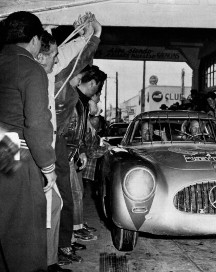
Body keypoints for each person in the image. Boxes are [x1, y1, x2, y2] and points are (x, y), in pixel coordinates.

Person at [0, 11, 56, 272]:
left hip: (2, 144)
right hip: (13, 149)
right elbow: (36, 124)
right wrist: (48, 167)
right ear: (35, 40)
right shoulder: (31, 68)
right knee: (25, 233)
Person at [54, 15, 103, 264]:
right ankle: (56, 251)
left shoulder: (63, 87)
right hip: (44, 147)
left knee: (59, 200)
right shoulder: (58, 84)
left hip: (50, 147)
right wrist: (92, 36)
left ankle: (60, 248)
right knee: (58, 200)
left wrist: (88, 37)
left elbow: (82, 60)